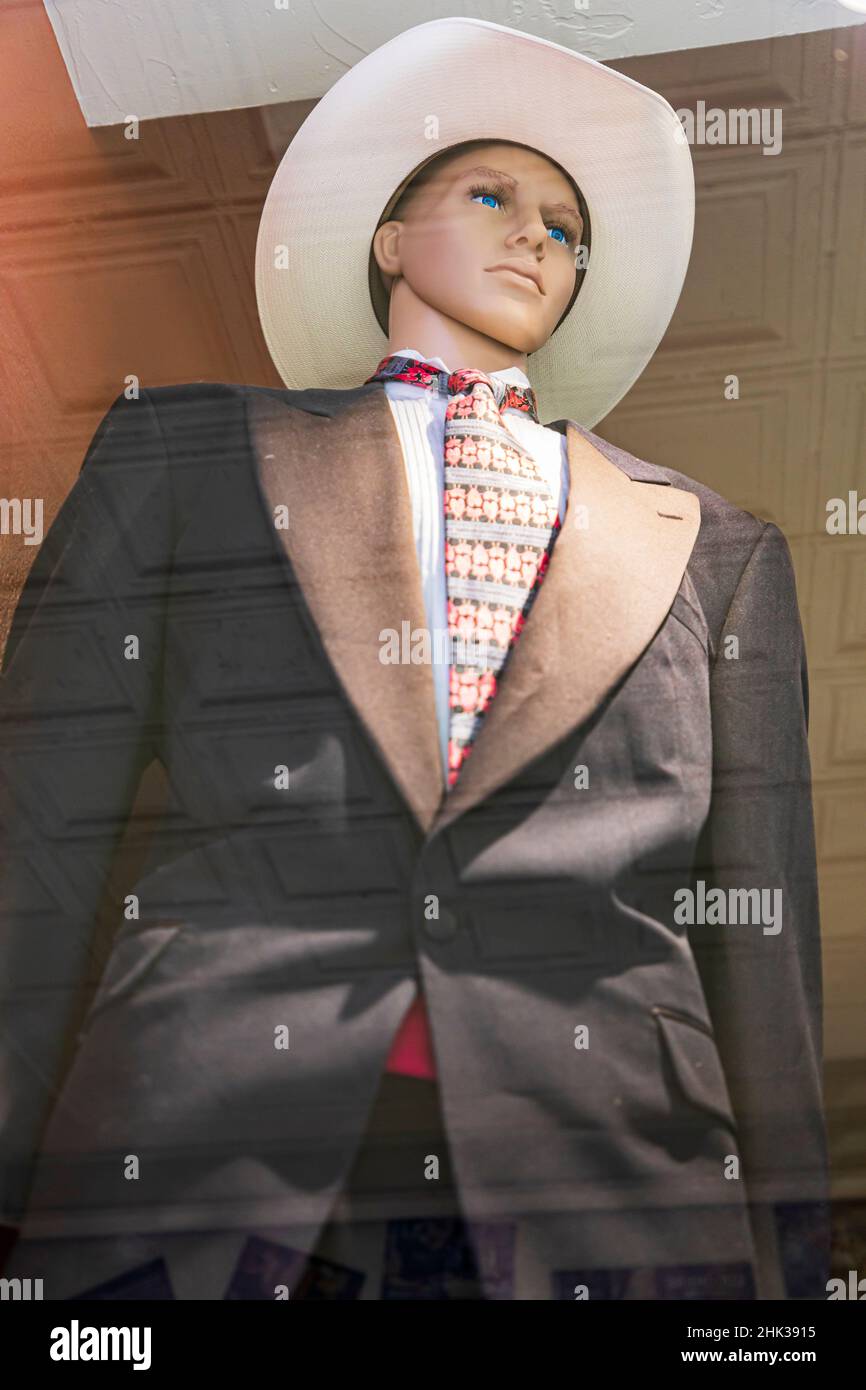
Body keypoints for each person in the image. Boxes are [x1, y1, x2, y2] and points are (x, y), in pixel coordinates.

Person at [0, 17, 829, 1300]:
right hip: (199, 1151)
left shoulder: (715, 549)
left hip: (607, 1187)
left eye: (564, 229)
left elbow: (759, 942)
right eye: (491, 192)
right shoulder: (183, 454)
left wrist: (793, 1278)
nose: (534, 239)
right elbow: (37, 829)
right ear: (388, 239)